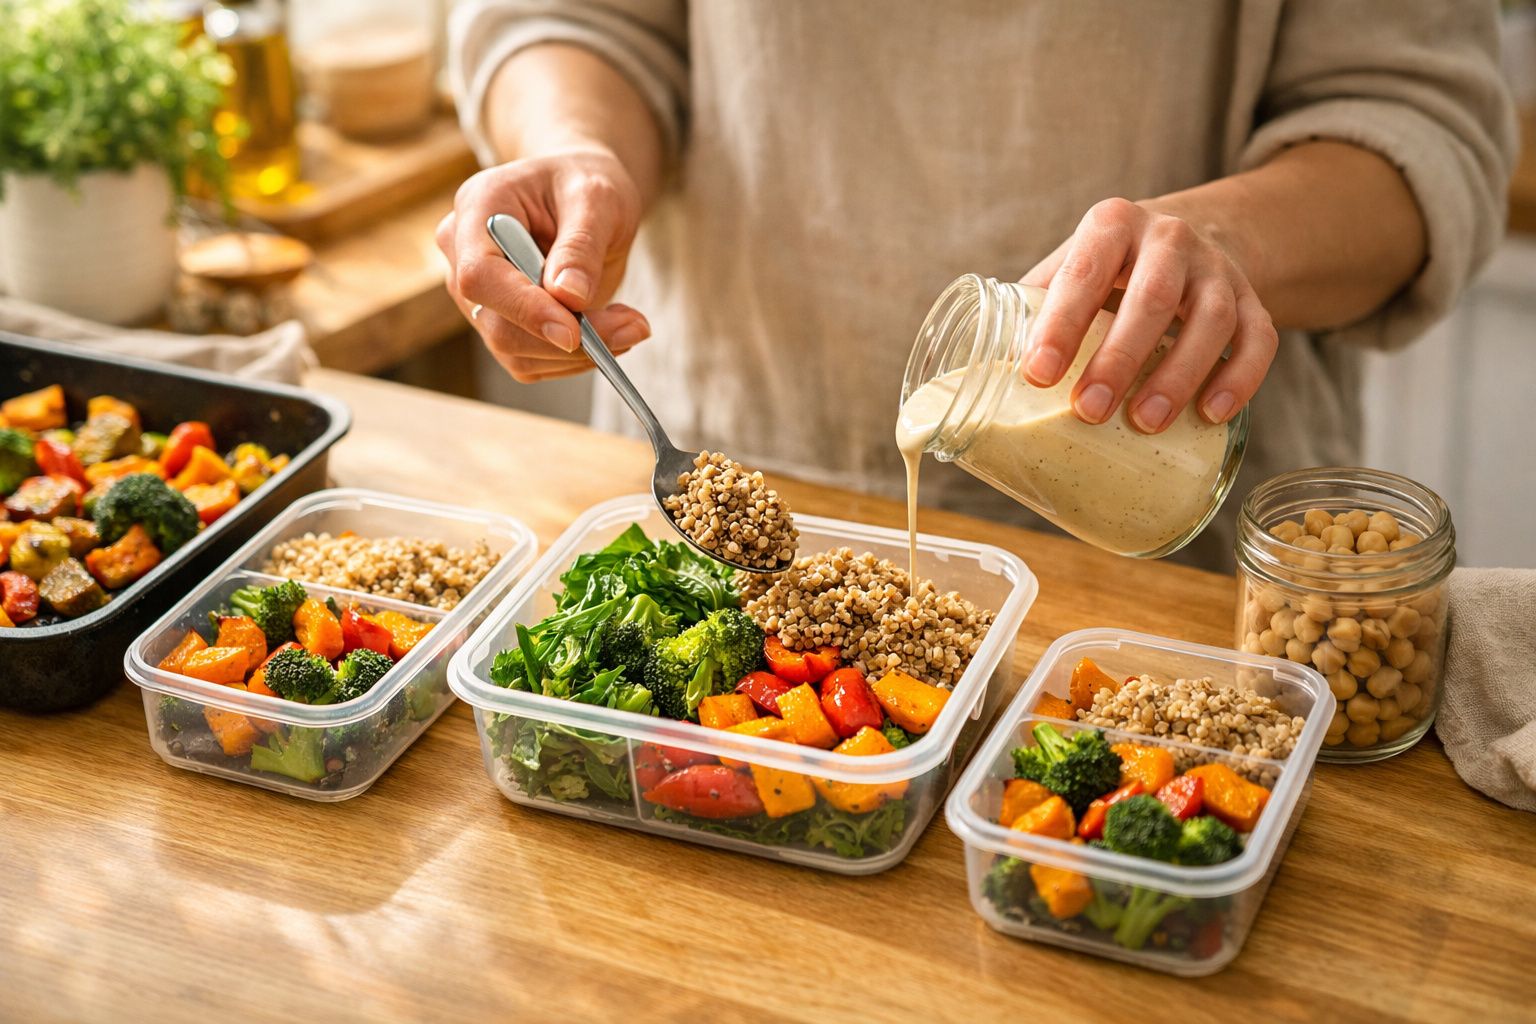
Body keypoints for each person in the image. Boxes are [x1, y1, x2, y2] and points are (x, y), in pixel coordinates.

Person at [441, 1, 1516, 570]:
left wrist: (1230, 237)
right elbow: (579, 20)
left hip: (1171, 528)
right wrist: (575, 148)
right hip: (749, 430)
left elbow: (1421, 117)